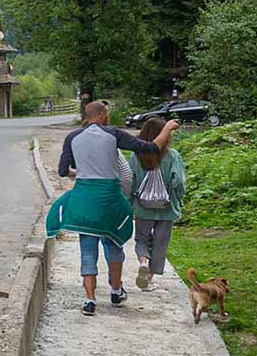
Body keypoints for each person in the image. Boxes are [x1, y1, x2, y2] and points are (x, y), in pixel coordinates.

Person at [49, 100, 178, 314]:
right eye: (107, 113)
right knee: (114, 243)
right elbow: (151, 147)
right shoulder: (113, 134)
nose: (108, 117)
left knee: (87, 249)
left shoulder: (72, 137)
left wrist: (82, 174)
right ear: (101, 114)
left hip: (84, 199)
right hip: (109, 198)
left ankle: (89, 300)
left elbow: (63, 171)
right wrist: (167, 128)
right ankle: (116, 291)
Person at [126, 115, 185, 291]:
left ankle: (143, 262)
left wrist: (130, 203)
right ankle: (149, 278)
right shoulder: (172, 156)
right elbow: (178, 182)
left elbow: (130, 182)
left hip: (143, 207)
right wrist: (179, 199)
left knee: (142, 239)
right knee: (161, 243)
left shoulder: (135, 156)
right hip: (167, 208)